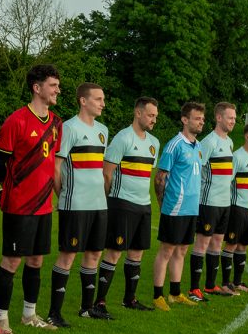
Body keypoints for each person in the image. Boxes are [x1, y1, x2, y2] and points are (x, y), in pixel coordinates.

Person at [0, 64, 63, 334]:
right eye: (53, 85)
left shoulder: (56, 124)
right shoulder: (16, 120)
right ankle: (0, 319)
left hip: (44, 206)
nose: (57, 90)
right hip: (19, 206)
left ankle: (29, 314)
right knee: (11, 261)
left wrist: (57, 194)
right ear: (37, 87)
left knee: (36, 261)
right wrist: (10, 189)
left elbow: (52, 165)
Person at [49, 82, 111, 326]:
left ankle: (87, 308)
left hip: (99, 205)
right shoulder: (68, 128)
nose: (102, 103)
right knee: (68, 256)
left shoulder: (103, 130)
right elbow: (56, 167)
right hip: (74, 204)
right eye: (98, 99)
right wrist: (62, 196)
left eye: (103, 99)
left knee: (95, 253)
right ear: (83, 101)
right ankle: (54, 313)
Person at [97, 96, 161, 311]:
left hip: (144, 205)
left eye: (156, 116)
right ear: (138, 113)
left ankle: (130, 299)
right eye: (151, 115)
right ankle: (100, 301)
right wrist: (106, 202)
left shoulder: (154, 143)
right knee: (114, 251)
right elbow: (107, 174)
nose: (154, 120)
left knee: (137, 253)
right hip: (121, 204)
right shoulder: (122, 138)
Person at [152, 102, 205, 310]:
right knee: (166, 250)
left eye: (202, 119)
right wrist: (163, 205)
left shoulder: (198, 146)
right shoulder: (175, 144)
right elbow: (160, 178)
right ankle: (158, 295)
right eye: (197, 118)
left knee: (182, 251)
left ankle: (175, 293)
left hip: (192, 208)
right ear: (185, 120)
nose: (201, 122)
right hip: (175, 207)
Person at [189, 102, 237, 300]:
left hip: (225, 202)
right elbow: (197, 170)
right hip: (208, 202)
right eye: (230, 118)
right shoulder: (208, 142)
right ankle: (194, 289)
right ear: (218, 118)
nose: (233, 121)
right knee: (202, 243)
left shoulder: (230, 142)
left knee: (217, 242)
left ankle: (210, 285)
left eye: (234, 118)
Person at [223, 122, 248, 293]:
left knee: (243, 246)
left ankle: (238, 282)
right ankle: (226, 283)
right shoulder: (237, 157)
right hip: (237, 208)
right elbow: (227, 183)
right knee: (231, 245)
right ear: (247, 136)